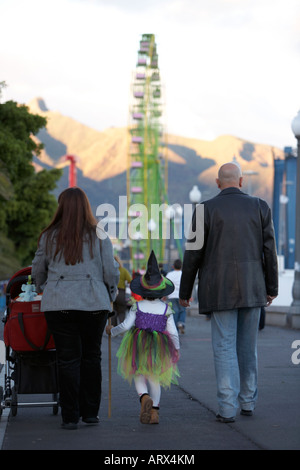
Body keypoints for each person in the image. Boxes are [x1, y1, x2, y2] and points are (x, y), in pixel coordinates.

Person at [179, 163, 278, 423]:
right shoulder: (260, 207)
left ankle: (226, 408)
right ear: (242, 181)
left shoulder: (204, 210)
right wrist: (272, 287)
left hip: (219, 289)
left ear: (217, 182)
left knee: (223, 348)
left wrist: (185, 292)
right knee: (248, 348)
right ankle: (247, 402)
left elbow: (192, 255)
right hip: (253, 287)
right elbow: (270, 251)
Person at [32, 187, 119, 430]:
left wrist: (43, 288)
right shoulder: (99, 233)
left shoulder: (49, 236)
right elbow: (110, 271)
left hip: (58, 303)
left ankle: (69, 416)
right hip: (94, 302)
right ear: (86, 207)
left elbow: (37, 269)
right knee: (92, 356)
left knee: (67, 359)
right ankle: (90, 413)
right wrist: (110, 294)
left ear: (61, 208)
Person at [106, 251, 180, 425]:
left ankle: (144, 397)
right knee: (155, 378)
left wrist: (111, 330)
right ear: (161, 291)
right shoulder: (166, 309)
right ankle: (154, 412)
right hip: (159, 345)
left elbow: (125, 326)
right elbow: (174, 332)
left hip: (138, 344)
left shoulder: (137, 306)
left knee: (139, 374)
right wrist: (176, 349)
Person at [166, 259, 186, 334]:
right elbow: (186, 285)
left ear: (173, 266)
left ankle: (175, 330)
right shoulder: (183, 274)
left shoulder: (169, 274)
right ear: (181, 266)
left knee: (175, 311)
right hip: (181, 295)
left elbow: (166, 285)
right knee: (182, 310)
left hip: (171, 295)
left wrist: (165, 295)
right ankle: (181, 323)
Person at [111, 255, 132, 326]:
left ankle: (113, 328)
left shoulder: (110, 271)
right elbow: (130, 280)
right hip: (121, 293)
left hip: (112, 292)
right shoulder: (123, 270)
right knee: (122, 312)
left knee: (113, 311)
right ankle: (122, 329)